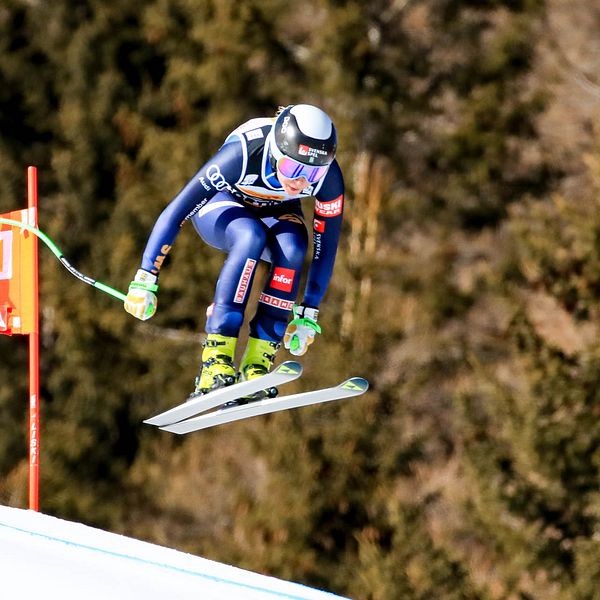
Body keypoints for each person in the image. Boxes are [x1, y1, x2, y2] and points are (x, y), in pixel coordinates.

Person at [124, 104, 345, 400]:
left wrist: (309, 311)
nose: (300, 182)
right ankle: (216, 359)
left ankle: (258, 361)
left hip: (276, 212)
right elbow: (177, 211)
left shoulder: (329, 179)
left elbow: (326, 245)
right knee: (249, 236)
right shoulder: (243, 153)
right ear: (277, 151)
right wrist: (146, 276)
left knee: (293, 247)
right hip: (223, 206)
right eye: (293, 168)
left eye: (313, 173)